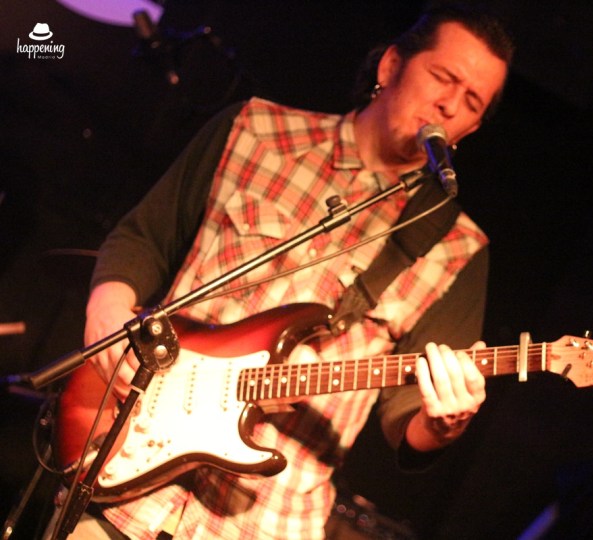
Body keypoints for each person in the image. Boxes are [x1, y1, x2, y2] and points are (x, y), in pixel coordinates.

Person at [58, 3, 514, 539]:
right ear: (392, 65)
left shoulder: (458, 248)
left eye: (471, 101)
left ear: (471, 128)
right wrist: (107, 313)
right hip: (123, 472)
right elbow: (144, 238)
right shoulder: (254, 128)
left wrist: (443, 424)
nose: (449, 104)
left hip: (266, 521)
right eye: (443, 77)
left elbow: (407, 419)